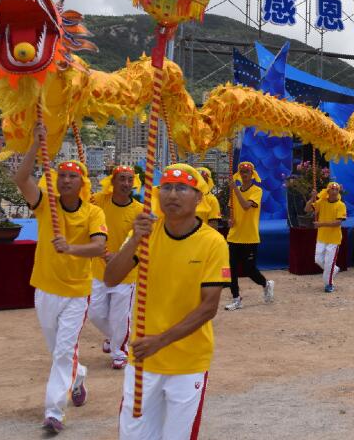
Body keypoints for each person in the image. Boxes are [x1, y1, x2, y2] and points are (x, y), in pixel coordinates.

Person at [105, 164, 231, 440]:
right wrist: (134, 240)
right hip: (144, 359)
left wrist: (160, 341)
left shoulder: (213, 243)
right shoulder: (145, 233)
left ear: (198, 198)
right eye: (167, 188)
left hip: (188, 362)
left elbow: (208, 307)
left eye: (182, 188)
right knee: (133, 436)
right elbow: (111, 278)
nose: (172, 195)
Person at [13, 124, 108, 434]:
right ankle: (77, 377)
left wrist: (71, 248)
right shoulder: (45, 205)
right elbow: (21, 179)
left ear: (82, 183)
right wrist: (35, 143)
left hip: (77, 293)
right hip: (45, 289)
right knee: (59, 353)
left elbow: (99, 246)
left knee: (65, 352)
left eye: (72, 176)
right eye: (62, 175)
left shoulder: (93, 213)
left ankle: (54, 411)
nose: (66, 180)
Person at [89, 165, 143, 370]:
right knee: (95, 313)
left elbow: (137, 239)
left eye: (130, 179)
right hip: (99, 269)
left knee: (120, 316)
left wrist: (119, 257)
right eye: (122, 179)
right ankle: (114, 338)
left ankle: (119, 351)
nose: (126, 183)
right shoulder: (99, 201)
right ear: (112, 181)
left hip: (125, 272)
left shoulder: (139, 210)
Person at [224, 162, 274, 311]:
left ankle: (266, 284)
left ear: (252, 174)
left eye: (247, 172)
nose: (244, 174)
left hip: (250, 237)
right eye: (242, 172)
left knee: (249, 270)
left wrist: (235, 189)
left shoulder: (257, 191)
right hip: (234, 236)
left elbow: (246, 206)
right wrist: (229, 220)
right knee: (232, 270)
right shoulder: (234, 191)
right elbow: (231, 210)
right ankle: (236, 298)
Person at [305, 182, 347, 292]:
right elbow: (307, 209)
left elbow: (338, 223)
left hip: (334, 239)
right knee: (318, 260)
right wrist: (312, 198)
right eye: (332, 189)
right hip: (322, 237)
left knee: (329, 263)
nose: (334, 191)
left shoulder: (341, 205)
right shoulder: (321, 202)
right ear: (328, 191)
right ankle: (334, 269)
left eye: (336, 190)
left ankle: (329, 284)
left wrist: (321, 224)